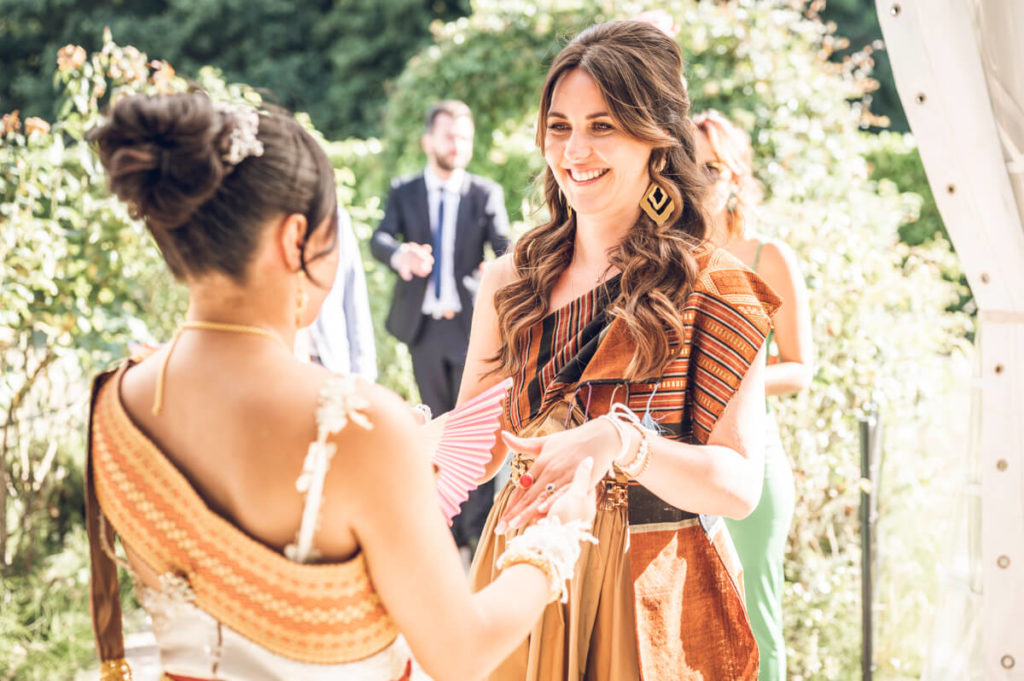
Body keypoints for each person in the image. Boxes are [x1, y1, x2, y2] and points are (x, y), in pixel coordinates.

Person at [84, 92, 596, 681]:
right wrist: (556, 533)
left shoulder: (114, 399)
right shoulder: (353, 426)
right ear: (295, 239)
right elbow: (462, 654)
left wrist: (405, 450)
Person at [460, 21, 782, 681]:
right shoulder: (509, 280)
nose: (575, 150)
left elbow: (741, 487)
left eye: (603, 126)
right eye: (559, 126)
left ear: (656, 138)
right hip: (524, 571)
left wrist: (621, 441)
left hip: (655, 586)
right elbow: (476, 442)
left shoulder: (717, 288)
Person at [693, 109, 814, 681]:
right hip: (683, 461)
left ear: (736, 175)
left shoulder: (769, 257)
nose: (701, 180)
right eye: (687, 169)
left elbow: (800, 367)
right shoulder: (668, 260)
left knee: (756, 620)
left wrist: (731, 378)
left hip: (753, 462)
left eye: (713, 167)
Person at [370, 99, 510, 556]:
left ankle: (476, 533)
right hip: (423, 330)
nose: (458, 145)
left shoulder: (484, 193)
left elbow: (505, 247)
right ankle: (443, 535)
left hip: (472, 329)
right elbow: (380, 238)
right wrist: (399, 256)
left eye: (466, 137)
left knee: (477, 431)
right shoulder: (404, 191)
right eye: (450, 135)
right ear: (429, 140)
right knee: (435, 426)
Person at [306, 207, 378, 380]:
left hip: (332, 361)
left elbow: (354, 297)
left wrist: (364, 374)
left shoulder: (336, 218)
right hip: (281, 367)